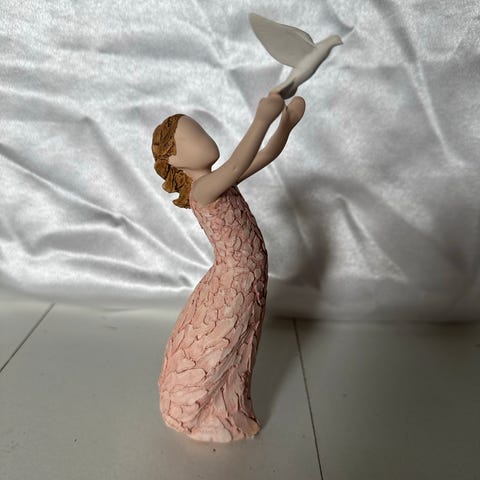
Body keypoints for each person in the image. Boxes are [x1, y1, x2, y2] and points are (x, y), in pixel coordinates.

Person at [151, 92, 305, 442]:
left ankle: (225, 409)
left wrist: (285, 124)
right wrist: (262, 119)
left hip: (248, 277)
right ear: (174, 159)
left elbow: (264, 156)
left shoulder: (217, 180)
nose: (203, 138)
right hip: (235, 280)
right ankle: (202, 410)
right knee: (224, 345)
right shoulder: (203, 189)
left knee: (239, 344)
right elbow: (237, 163)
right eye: (190, 138)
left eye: (199, 130)